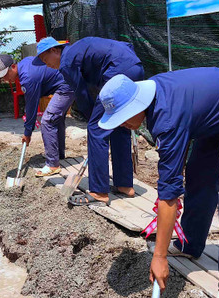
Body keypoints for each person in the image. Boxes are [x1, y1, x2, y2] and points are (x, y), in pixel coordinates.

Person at [96, 69, 219, 298]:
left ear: (138, 102)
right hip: (216, 117)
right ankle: (190, 244)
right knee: (199, 176)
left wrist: (159, 256)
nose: (124, 123)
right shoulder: (155, 95)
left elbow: (169, 193)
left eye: (125, 116)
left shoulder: (167, 118)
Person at [37, 36, 143, 206]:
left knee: (96, 129)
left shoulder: (66, 62)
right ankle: (124, 185)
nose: (46, 64)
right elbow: (126, 45)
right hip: (135, 66)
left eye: (45, 58)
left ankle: (99, 191)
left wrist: (92, 118)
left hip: (117, 71)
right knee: (119, 124)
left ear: (55, 50)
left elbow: (81, 93)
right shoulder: (76, 51)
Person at [0, 54, 75, 176]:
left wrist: (27, 133)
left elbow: (31, 107)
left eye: (5, 74)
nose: (5, 79)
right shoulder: (25, 63)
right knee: (56, 119)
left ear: (13, 66)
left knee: (47, 121)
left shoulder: (27, 77)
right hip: (68, 82)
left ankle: (53, 165)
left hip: (66, 87)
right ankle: (59, 155)